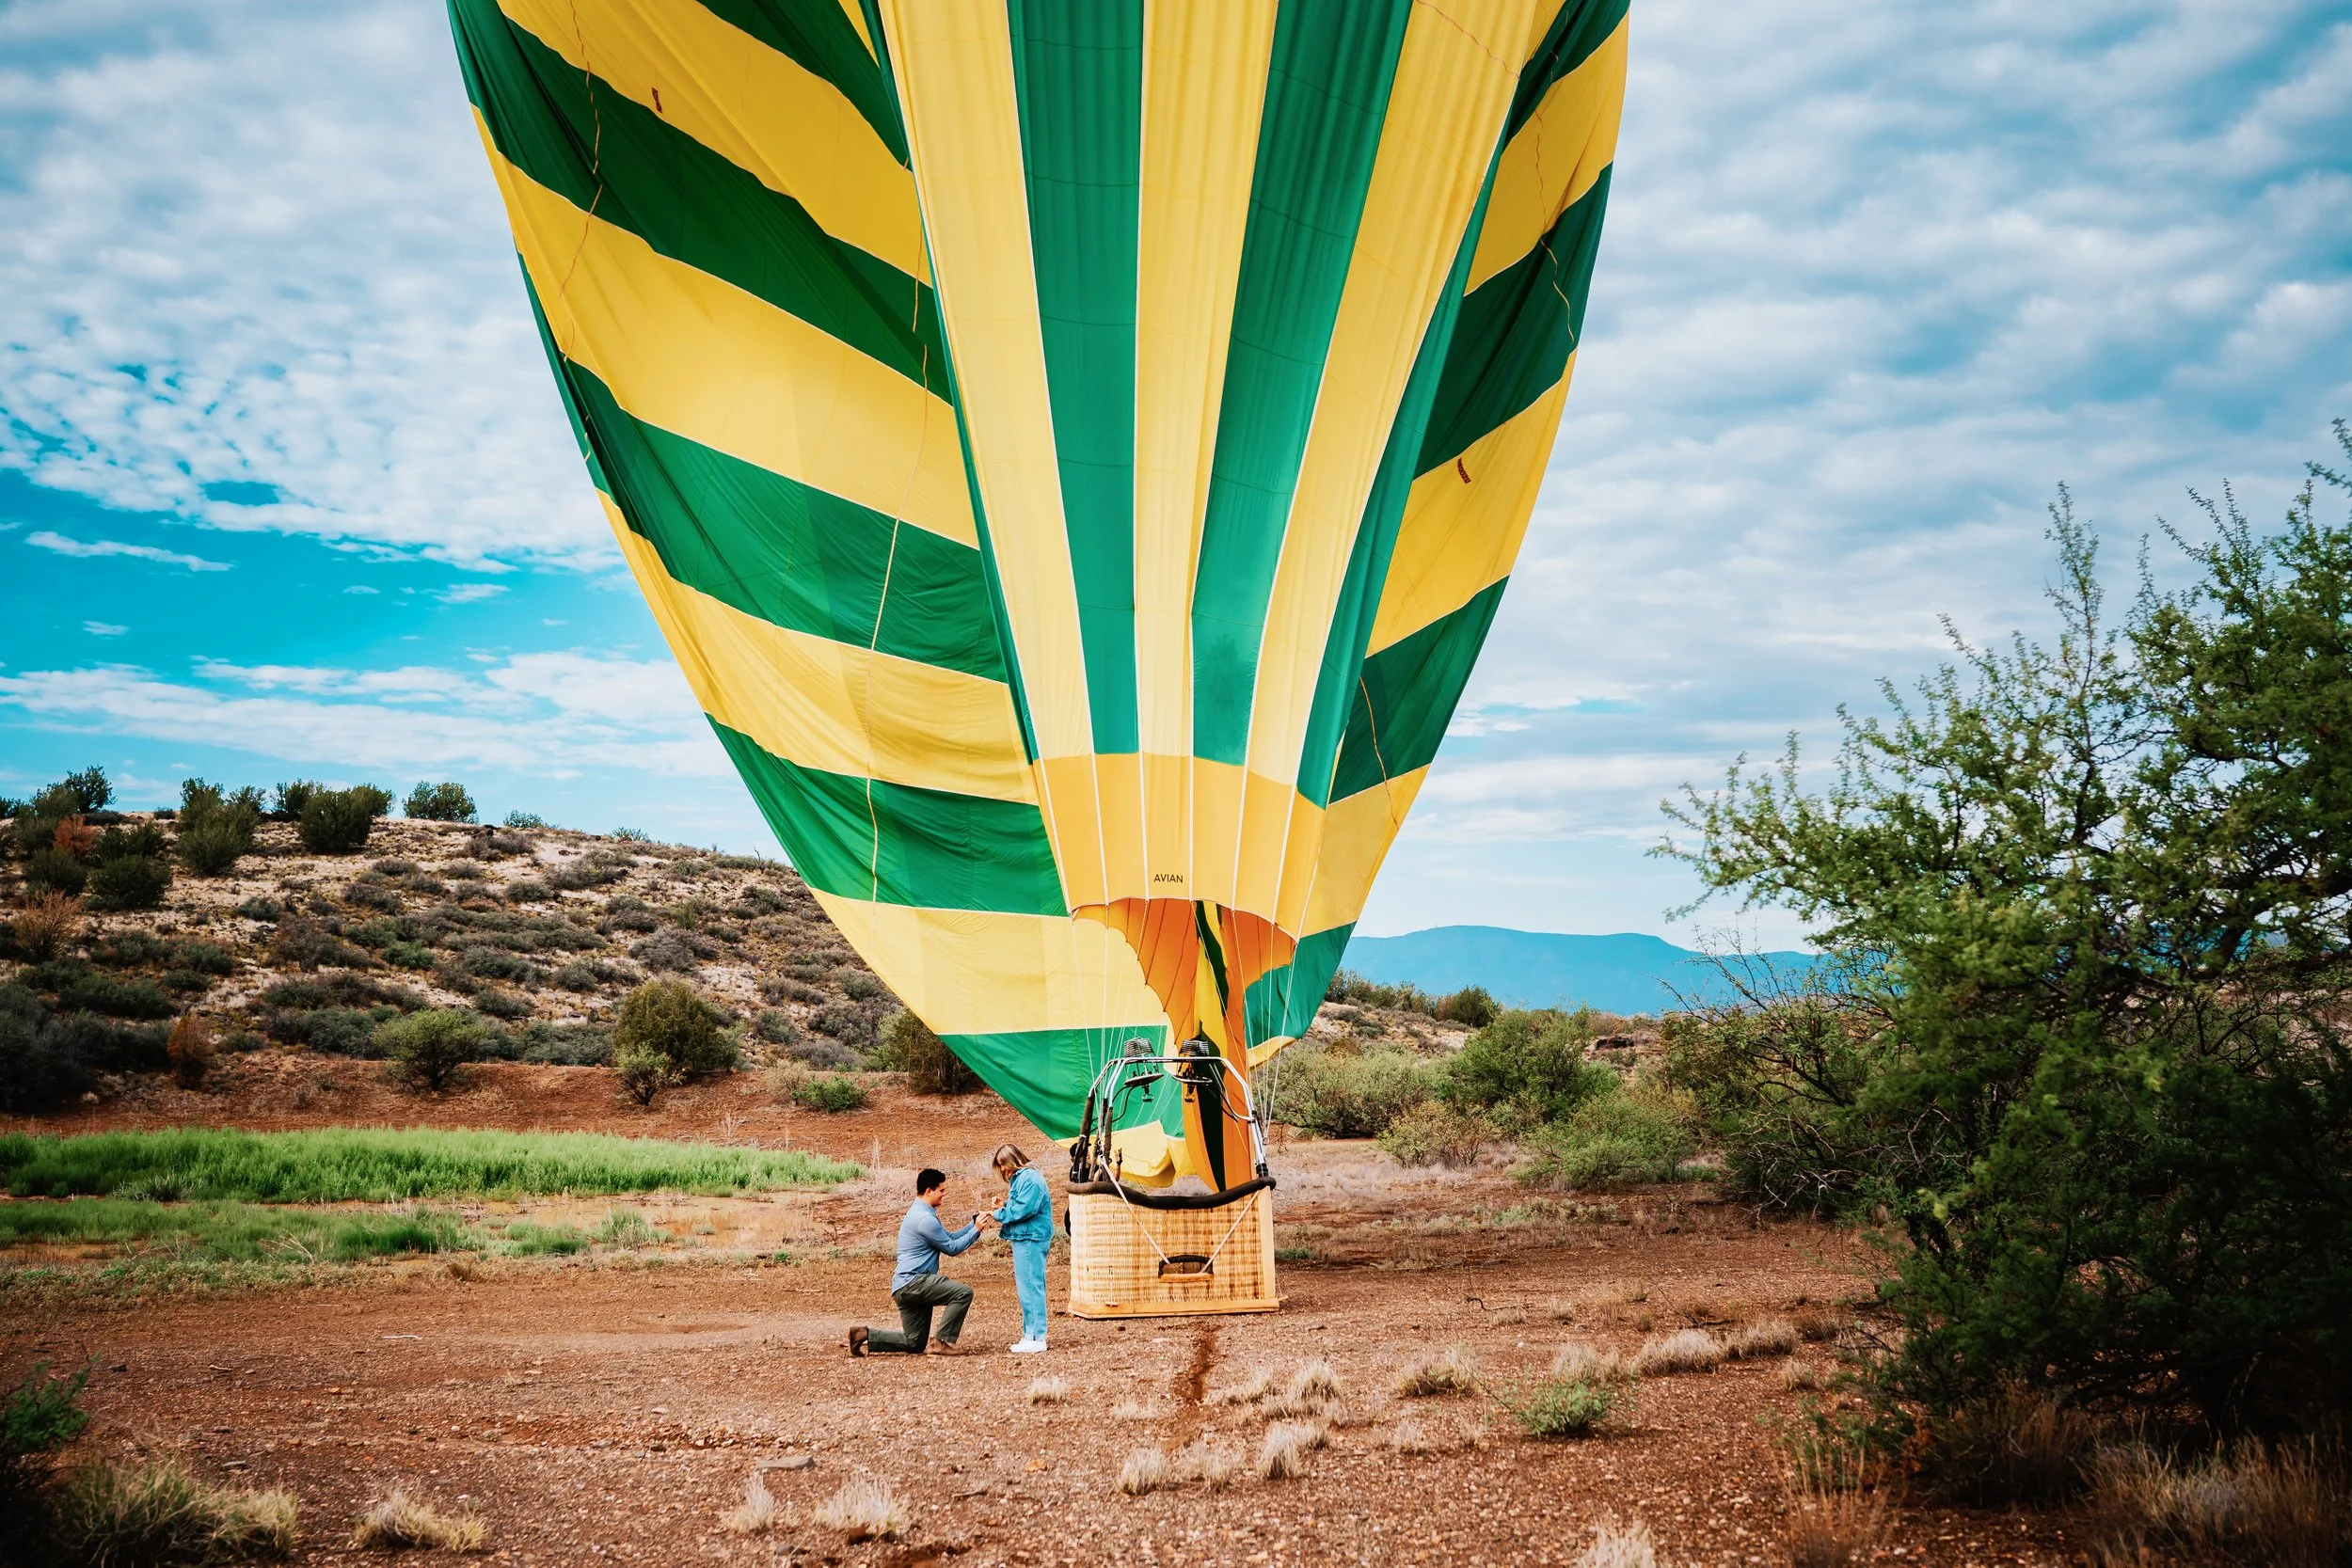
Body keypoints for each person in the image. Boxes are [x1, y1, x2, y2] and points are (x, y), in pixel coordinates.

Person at [850, 1167, 992, 1357]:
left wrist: (975, 1223)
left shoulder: (920, 1213)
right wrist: (976, 1230)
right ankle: (940, 1342)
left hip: (904, 1287)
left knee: (914, 1343)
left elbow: (948, 1237)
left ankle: (863, 1334)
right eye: (941, 1190)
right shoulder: (925, 1219)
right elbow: (952, 1248)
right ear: (928, 1191)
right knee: (963, 1293)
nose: (944, 1194)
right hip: (915, 1283)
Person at [991, 1143, 1053, 1354]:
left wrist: (997, 1214)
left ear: (1012, 1160)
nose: (1002, 1170)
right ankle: (1030, 1335)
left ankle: (1037, 1337)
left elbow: (1022, 1211)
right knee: (1027, 1286)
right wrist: (1004, 1206)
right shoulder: (1023, 1178)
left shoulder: (1030, 1179)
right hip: (1025, 1236)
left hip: (1030, 1237)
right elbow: (1018, 1207)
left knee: (1031, 1286)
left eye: (1002, 1164)